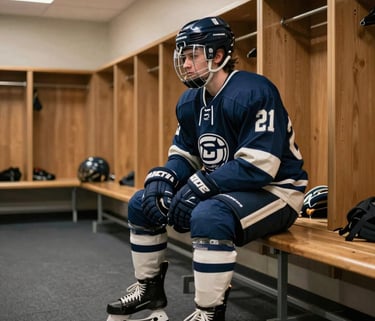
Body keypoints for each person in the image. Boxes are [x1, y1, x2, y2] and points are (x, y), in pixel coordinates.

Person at [106, 16, 308, 321]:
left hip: (276, 191)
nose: (185, 64)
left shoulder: (254, 90)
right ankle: (149, 288)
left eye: (192, 55)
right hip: (225, 187)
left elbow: (259, 167)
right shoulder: (190, 102)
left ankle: (209, 312)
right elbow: (185, 156)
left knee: (208, 215)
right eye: (183, 56)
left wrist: (199, 186)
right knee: (142, 202)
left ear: (218, 54)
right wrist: (167, 178)